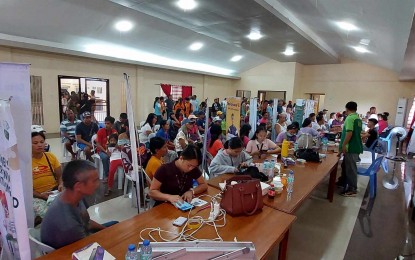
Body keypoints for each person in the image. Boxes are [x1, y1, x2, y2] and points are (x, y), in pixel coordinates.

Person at [41, 160, 118, 249]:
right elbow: (86, 248)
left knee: (115, 225)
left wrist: (106, 230)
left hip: (83, 235)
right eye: (95, 181)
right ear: (78, 186)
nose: (98, 184)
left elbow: (87, 222)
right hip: (74, 250)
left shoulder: (73, 195)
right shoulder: (68, 225)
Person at [32, 132, 63, 221]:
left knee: (72, 206)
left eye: (42, 142)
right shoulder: (25, 163)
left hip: (54, 191)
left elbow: (60, 176)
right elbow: (26, 190)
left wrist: (61, 184)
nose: (39, 145)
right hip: (36, 196)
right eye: (35, 143)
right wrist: (42, 196)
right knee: (50, 214)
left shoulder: (50, 157)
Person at [338, 101, 363, 197]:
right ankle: (342, 182)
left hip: (351, 147)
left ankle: (352, 189)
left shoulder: (349, 118)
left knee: (351, 169)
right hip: (356, 146)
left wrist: (343, 145)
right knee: (345, 166)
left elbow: (349, 133)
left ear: (347, 109)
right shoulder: (358, 118)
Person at [95, 116, 117, 182]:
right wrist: (106, 151)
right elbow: (98, 144)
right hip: (102, 150)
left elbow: (116, 143)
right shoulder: (100, 131)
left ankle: (115, 175)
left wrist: (113, 151)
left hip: (112, 150)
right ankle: (107, 176)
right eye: (105, 123)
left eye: (108, 123)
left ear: (112, 124)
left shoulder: (114, 132)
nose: (106, 125)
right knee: (105, 157)